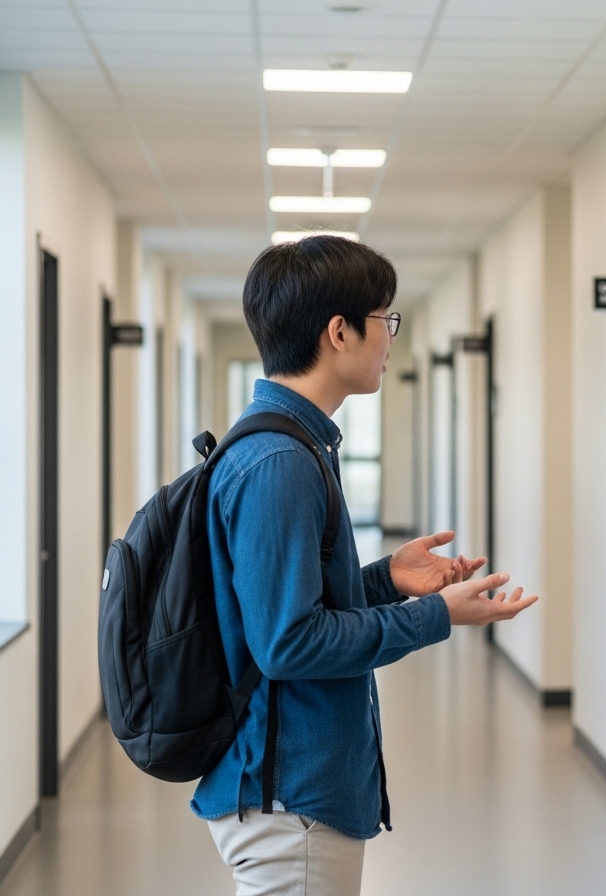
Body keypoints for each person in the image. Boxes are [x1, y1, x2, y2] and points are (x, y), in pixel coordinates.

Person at [191, 235, 536, 896]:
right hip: (290, 798)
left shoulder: (294, 443)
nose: (390, 338)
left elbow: (287, 602)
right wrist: (435, 616)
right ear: (339, 332)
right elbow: (288, 642)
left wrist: (383, 580)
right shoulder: (280, 461)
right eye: (386, 320)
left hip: (296, 790)